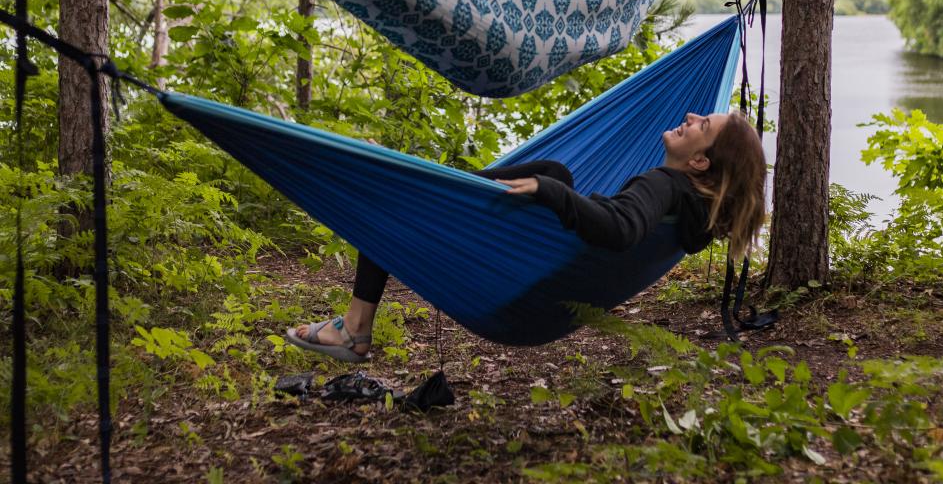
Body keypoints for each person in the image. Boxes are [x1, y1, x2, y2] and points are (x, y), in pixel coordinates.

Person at [286, 110, 767, 362]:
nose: (688, 117)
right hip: (550, 272)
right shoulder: (699, 215)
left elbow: (620, 229)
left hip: (528, 272)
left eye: (701, 125)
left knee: (395, 204)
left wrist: (550, 192)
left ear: (701, 161)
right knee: (549, 168)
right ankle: (427, 179)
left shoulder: (664, 184)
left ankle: (355, 327)